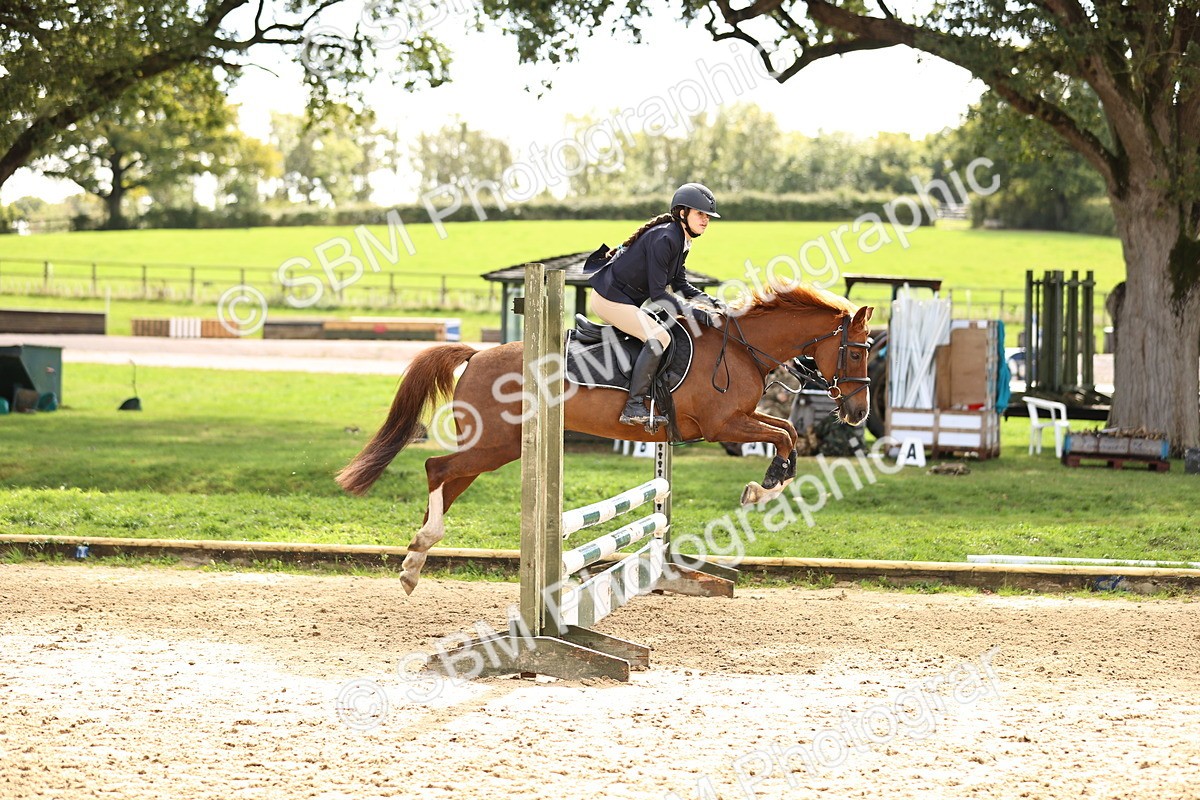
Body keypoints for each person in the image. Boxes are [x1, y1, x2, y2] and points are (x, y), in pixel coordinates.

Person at [586, 182, 727, 427]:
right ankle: (633, 407)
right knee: (660, 337)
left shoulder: (681, 239)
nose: (706, 220)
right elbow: (659, 294)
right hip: (609, 298)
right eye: (700, 214)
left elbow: (680, 283)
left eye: (708, 216)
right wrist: (695, 314)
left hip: (626, 299)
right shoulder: (665, 238)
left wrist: (712, 302)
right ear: (683, 213)